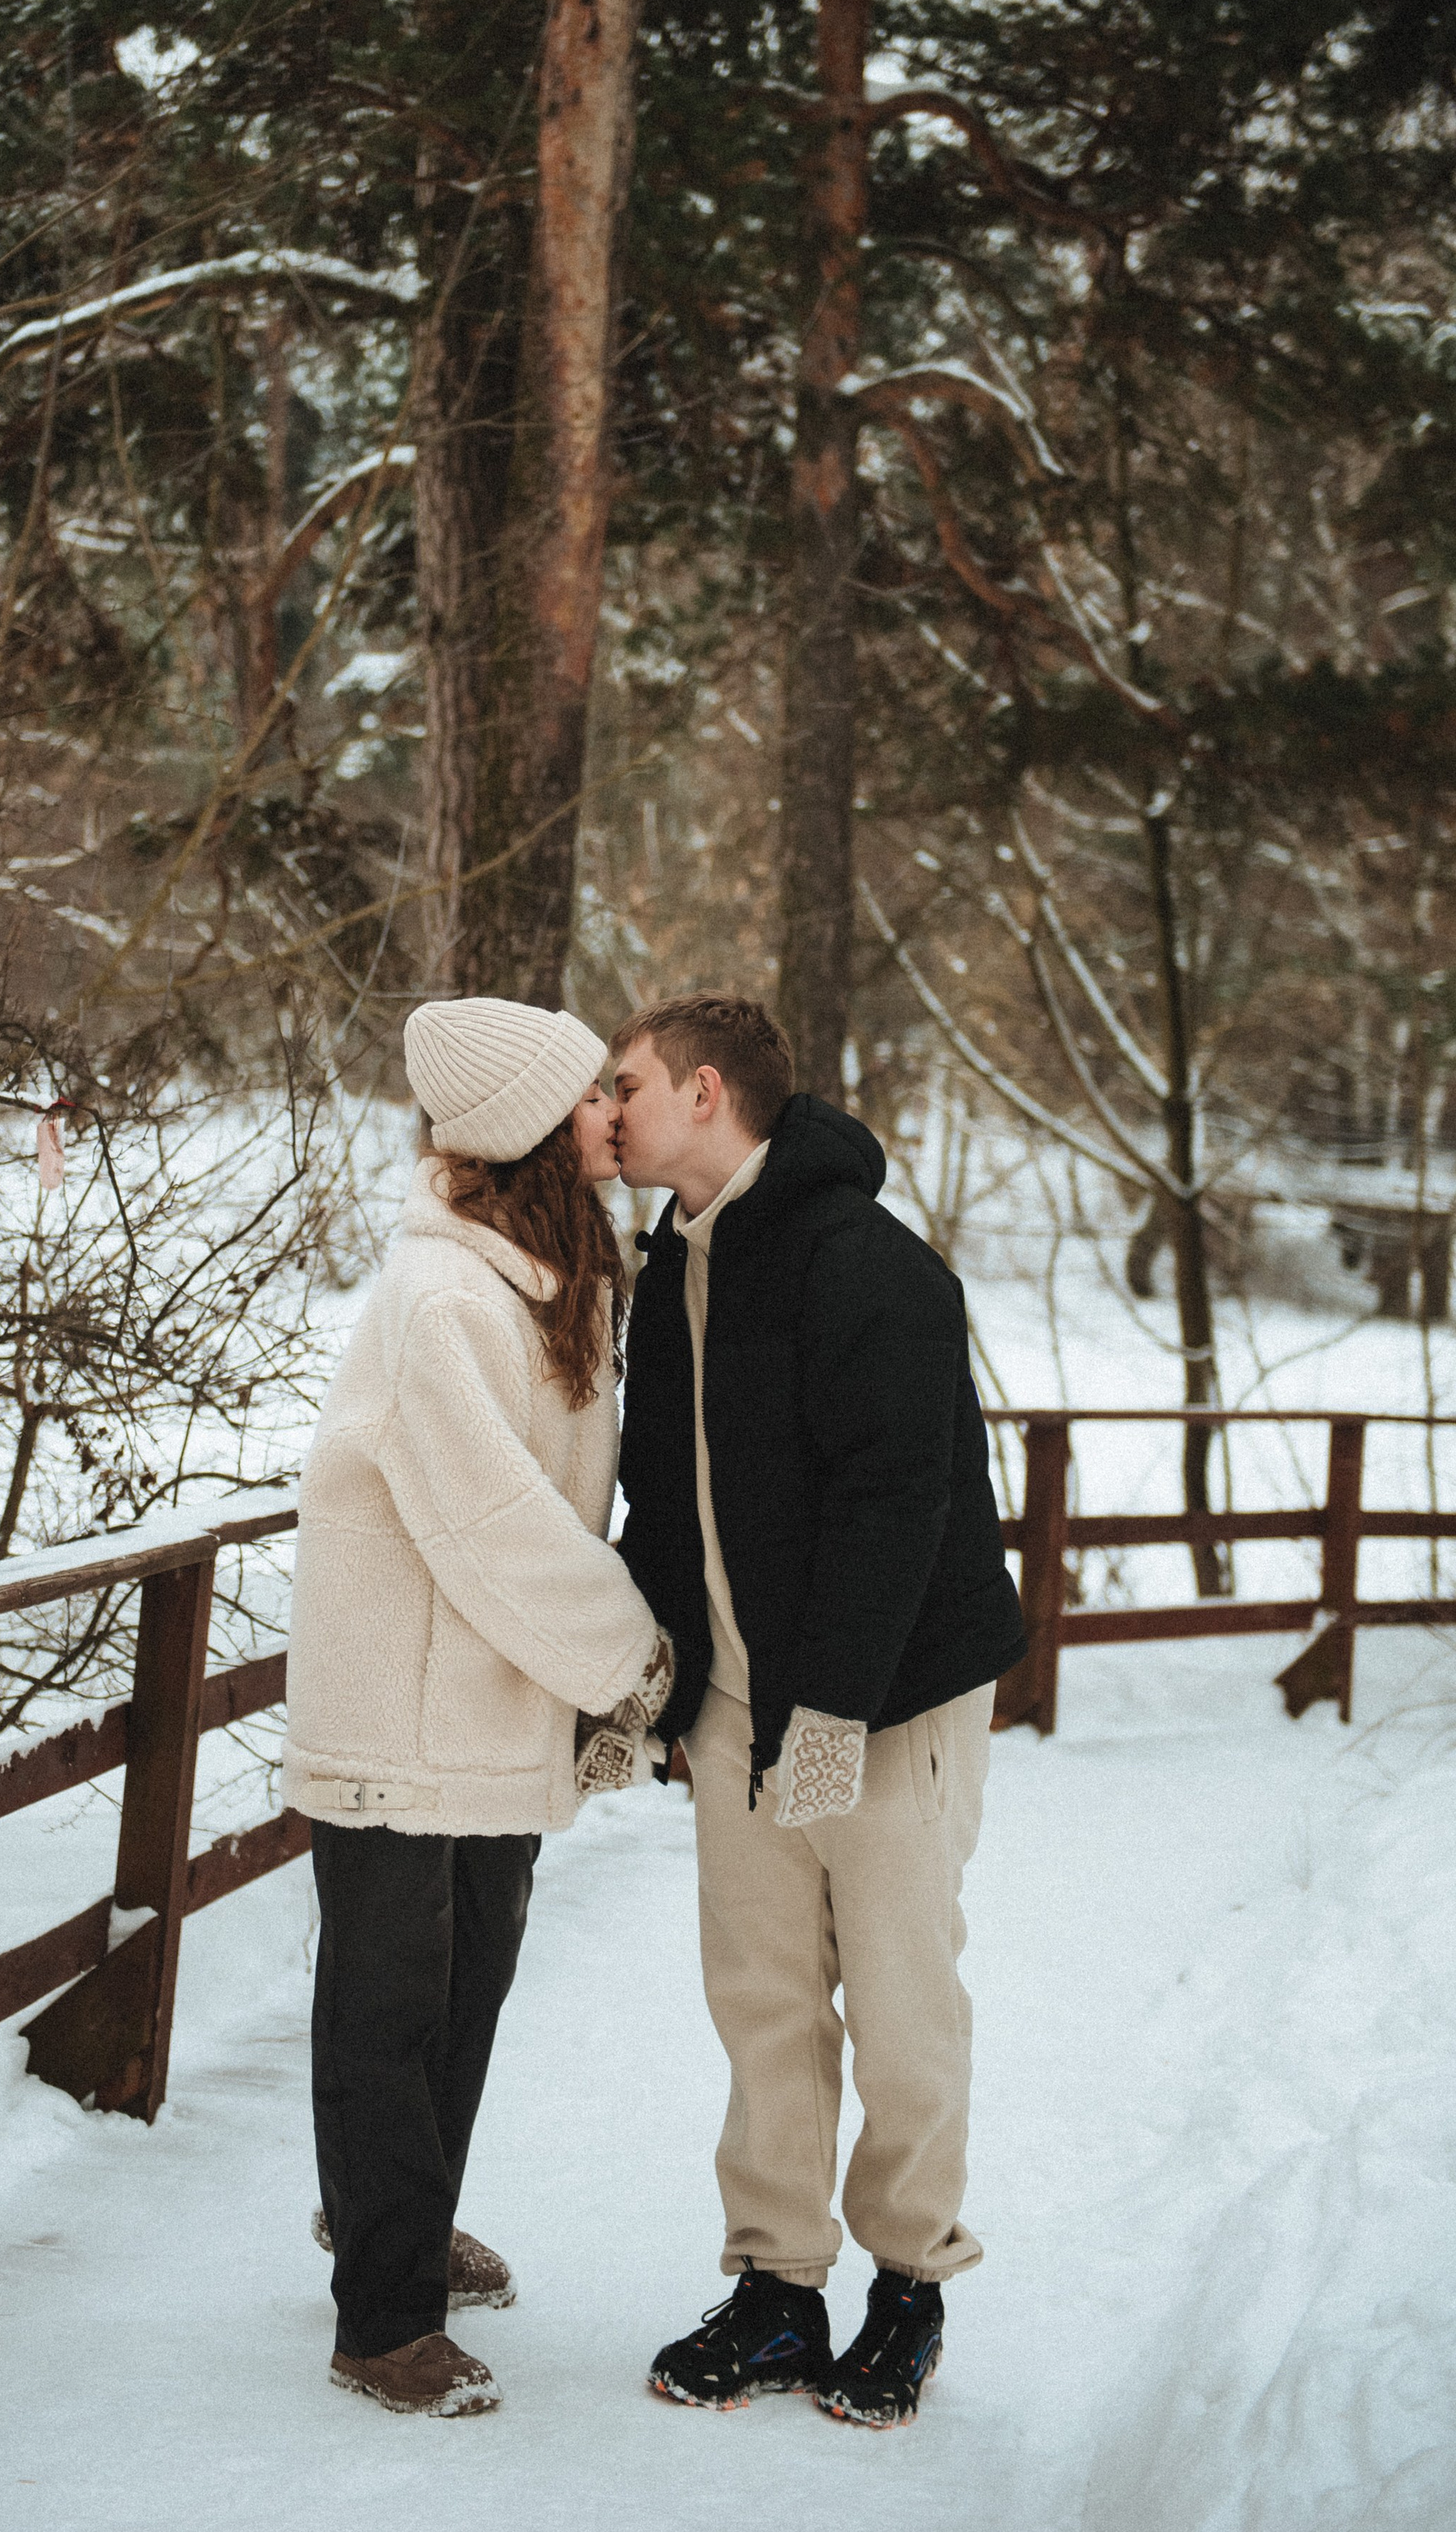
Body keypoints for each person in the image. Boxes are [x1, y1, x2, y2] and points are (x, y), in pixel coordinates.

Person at [608, 992, 1024, 2429]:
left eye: (627, 1084)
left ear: (707, 1092)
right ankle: (781, 2289)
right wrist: (661, 1678)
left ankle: (910, 2283)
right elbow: (666, 1496)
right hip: (739, 1702)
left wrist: (835, 1708)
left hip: (888, 1699)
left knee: (903, 2001)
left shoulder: (870, 1267)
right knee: (765, 2001)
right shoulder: (672, 1268)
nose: (605, 1113)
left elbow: (895, 1506)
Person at [283, 995, 674, 2418]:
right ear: (528, 1130)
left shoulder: (542, 1274)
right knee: (387, 2012)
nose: (609, 1116)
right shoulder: (441, 1302)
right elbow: (499, 1528)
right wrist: (636, 1662)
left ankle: (400, 2213)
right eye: (588, 1098)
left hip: (490, 1708)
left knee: (466, 1996)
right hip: (401, 1714)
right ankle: (381, 2322)